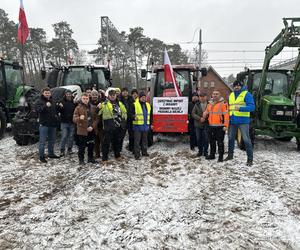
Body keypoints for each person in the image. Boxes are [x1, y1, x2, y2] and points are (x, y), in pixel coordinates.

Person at [225, 80, 255, 166]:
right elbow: (230, 106)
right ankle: (230, 155)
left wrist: (240, 108)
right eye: (235, 86)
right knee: (230, 138)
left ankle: (250, 159)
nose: (237, 87)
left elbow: (252, 107)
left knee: (246, 140)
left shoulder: (246, 94)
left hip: (243, 121)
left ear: (241, 86)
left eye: (238, 85)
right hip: (233, 120)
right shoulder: (231, 95)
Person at [98, 89, 127, 163]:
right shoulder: (104, 104)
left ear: (116, 95)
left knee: (117, 142)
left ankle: (117, 156)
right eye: (111, 95)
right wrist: (98, 107)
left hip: (118, 126)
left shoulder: (119, 103)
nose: (113, 96)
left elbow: (124, 112)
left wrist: (123, 120)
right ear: (108, 96)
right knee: (106, 143)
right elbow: (98, 113)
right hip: (108, 126)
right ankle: (104, 159)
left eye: (114, 95)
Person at [203, 90, 229, 162]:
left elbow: (226, 116)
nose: (215, 95)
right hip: (211, 126)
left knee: (220, 143)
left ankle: (220, 157)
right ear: (212, 95)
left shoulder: (223, 103)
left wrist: (226, 126)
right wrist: (205, 113)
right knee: (212, 142)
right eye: (214, 94)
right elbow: (207, 111)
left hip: (220, 127)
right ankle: (212, 155)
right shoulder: (210, 103)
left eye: (217, 94)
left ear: (220, 95)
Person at [36, 87, 60, 163]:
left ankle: (51, 153)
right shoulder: (39, 101)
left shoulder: (53, 100)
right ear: (43, 93)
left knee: (52, 140)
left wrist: (59, 106)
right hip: (44, 124)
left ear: (50, 93)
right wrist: (45, 106)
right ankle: (41, 156)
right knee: (42, 141)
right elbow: (38, 110)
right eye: (46, 93)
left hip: (52, 124)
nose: (47, 94)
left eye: (48, 93)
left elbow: (55, 110)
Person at [73, 93, 97, 165]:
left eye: (87, 98)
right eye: (84, 98)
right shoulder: (78, 108)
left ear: (89, 99)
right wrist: (79, 118)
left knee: (91, 145)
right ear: (81, 99)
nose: (85, 100)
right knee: (82, 146)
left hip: (91, 130)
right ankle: (81, 160)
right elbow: (74, 119)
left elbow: (97, 119)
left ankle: (90, 158)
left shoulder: (93, 107)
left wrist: (92, 127)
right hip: (82, 130)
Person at [132, 91, 151, 160]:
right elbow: (130, 114)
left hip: (145, 126)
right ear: (139, 98)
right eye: (142, 97)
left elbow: (150, 115)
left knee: (145, 140)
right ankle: (137, 155)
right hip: (137, 126)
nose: (143, 98)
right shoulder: (134, 104)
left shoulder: (148, 105)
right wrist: (133, 116)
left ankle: (144, 152)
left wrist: (150, 124)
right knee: (137, 141)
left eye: (144, 97)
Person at [58, 89, 76, 157]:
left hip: (72, 122)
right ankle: (62, 150)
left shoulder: (74, 102)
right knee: (64, 136)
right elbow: (58, 110)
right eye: (67, 94)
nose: (68, 95)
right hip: (64, 122)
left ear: (71, 94)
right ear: (65, 94)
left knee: (71, 137)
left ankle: (69, 149)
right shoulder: (61, 101)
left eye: (69, 94)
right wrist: (59, 107)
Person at [192, 92, 209, 157]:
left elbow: (212, 113)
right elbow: (193, 114)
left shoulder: (209, 104)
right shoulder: (197, 104)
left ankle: (205, 152)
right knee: (199, 139)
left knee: (206, 139)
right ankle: (200, 151)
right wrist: (200, 118)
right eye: (200, 97)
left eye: (203, 96)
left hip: (206, 125)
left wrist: (206, 117)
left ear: (206, 97)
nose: (202, 98)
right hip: (198, 125)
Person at [119, 87, 134, 152]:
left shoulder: (131, 99)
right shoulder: (119, 99)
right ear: (121, 92)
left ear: (128, 92)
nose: (125, 92)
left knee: (131, 135)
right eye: (123, 91)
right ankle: (119, 149)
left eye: (126, 91)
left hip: (130, 119)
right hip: (122, 120)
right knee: (121, 135)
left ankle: (131, 148)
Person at [90, 89, 103, 159]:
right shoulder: (89, 103)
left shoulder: (101, 102)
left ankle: (104, 154)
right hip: (92, 124)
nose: (94, 96)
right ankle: (97, 154)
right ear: (91, 95)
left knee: (102, 140)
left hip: (101, 124)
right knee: (95, 141)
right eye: (93, 95)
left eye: (96, 95)